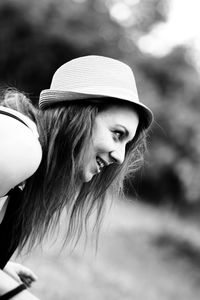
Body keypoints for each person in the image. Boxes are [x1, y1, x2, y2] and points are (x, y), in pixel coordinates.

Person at [0, 55, 153, 298]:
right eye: (117, 134)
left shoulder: (27, 160)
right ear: (80, 115)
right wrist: (15, 293)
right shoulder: (20, 146)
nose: (120, 157)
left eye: (127, 143)